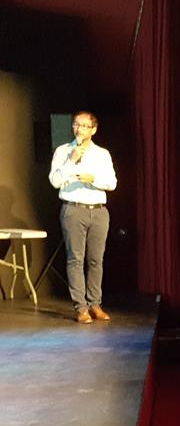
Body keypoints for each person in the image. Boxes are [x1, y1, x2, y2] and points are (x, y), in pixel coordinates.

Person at [48, 111, 118, 323]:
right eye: (76, 125)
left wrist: (92, 178)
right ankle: (81, 308)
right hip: (73, 209)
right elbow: (54, 181)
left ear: (93, 129)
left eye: (85, 126)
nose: (79, 129)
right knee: (75, 259)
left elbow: (112, 183)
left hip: (98, 211)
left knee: (96, 260)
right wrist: (71, 161)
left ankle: (95, 303)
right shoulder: (63, 151)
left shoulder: (102, 154)